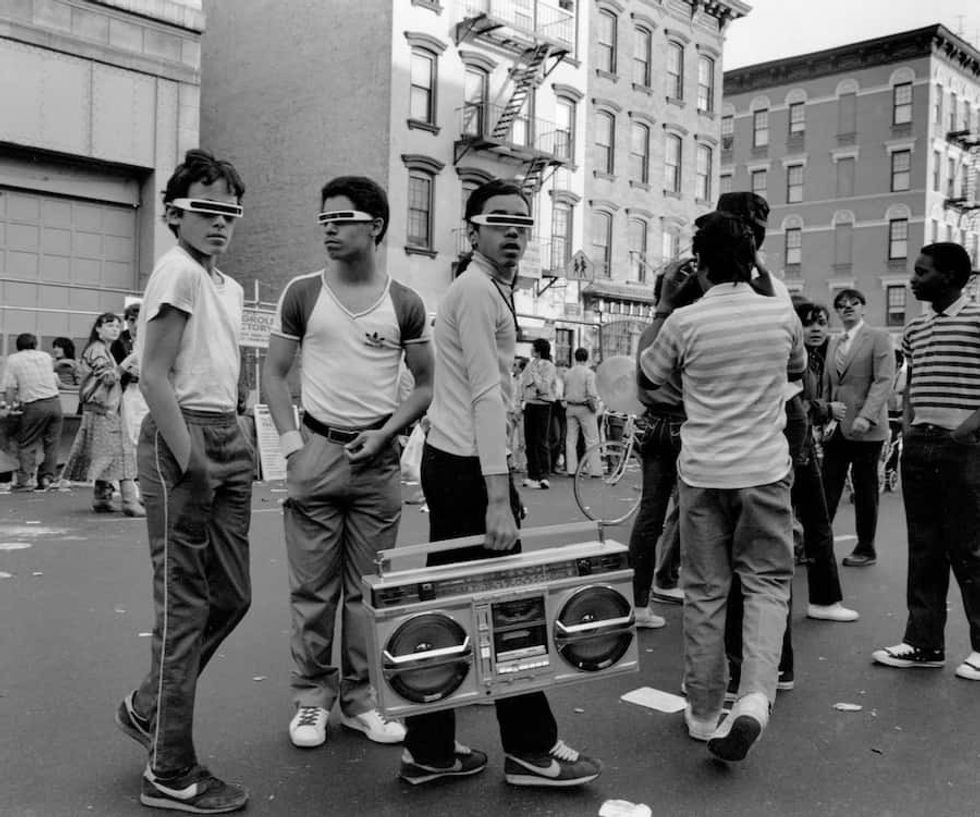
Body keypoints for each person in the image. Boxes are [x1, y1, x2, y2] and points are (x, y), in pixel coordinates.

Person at [400, 178, 601, 788]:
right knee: (509, 610)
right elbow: (488, 397)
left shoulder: (482, 290)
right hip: (467, 470)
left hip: (459, 461)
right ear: (473, 229)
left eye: (523, 222)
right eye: (501, 221)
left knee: (464, 603)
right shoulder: (478, 292)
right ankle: (530, 750)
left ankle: (429, 749)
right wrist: (497, 497)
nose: (514, 231)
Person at [263, 176, 432, 750]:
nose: (329, 229)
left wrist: (388, 434)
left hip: (377, 464)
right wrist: (292, 446)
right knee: (313, 592)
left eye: (342, 219)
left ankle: (361, 700)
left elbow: (425, 386)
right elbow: (274, 375)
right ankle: (311, 700)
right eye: (324, 220)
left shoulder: (406, 303)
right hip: (316, 452)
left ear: (375, 226)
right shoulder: (303, 292)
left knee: (368, 593)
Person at [112, 148, 253, 814]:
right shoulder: (177, 271)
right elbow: (154, 373)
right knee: (186, 605)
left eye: (230, 210)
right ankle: (169, 768)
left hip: (225, 430)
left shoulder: (223, 283)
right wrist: (189, 453)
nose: (220, 221)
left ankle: (149, 705)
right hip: (184, 437)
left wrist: (236, 435)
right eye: (206, 209)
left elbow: (218, 365)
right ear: (173, 212)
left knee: (231, 594)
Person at [641, 210, 805, 762]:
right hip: (764, 470)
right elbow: (798, 369)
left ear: (700, 266)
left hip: (704, 471)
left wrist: (668, 303)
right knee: (764, 585)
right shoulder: (780, 314)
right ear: (753, 260)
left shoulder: (686, 323)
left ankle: (703, 709)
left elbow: (646, 382)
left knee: (706, 591)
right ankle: (754, 696)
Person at [872, 242, 980, 681]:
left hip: (965, 448)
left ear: (951, 276)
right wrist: (912, 425)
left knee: (971, 550)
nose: (912, 279)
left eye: (922, 272)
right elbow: (912, 381)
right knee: (925, 548)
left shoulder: (977, 319)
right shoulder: (916, 328)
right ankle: (923, 643)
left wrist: (966, 430)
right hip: (921, 443)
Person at [821, 289, 895, 567]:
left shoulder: (878, 338)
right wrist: (825, 413)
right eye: (841, 305)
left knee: (865, 489)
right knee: (828, 485)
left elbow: (884, 380)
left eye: (854, 303)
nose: (847, 308)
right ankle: (818, 544)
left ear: (864, 308)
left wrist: (867, 416)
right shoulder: (833, 342)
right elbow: (831, 384)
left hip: (867, 429)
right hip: (837, 427)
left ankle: (866, 548)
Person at [62, 312, 142, 515]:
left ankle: (101, 497)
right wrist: (129, 361)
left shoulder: (100, 350)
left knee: (105, 455)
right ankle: (129, 502)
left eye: (117, 326)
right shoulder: (98, 350)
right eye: (109, 325)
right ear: (98, 329)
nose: (115, 329)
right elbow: (108, 377)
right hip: (103, 411)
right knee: (121, 455)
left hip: (100, 410)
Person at [1, 332, 63, 492]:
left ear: (18, 346)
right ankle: (47, 478)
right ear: (35, 344)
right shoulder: (46, 357)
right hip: (55, 403)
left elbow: (10, 387)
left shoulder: (13, 359)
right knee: (52, 443)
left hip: (34, 405)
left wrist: (9, 407)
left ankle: (24, 480)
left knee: (27, 442)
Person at [519, 338, 557, 489]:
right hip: (530, 404)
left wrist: (535, 376)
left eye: (533, 347)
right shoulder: (530, 365)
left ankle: (544, 475)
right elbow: (525, 385)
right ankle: (532, 474)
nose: (530, 349)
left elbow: (544, 388)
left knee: (541, 440)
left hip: (544, 405)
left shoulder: (549, 366)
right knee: (530, 441)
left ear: (539, 350)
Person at [562, 347, 601, 478]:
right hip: (585, 408)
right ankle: (595, 470)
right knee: (592, 439)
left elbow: (563, 392)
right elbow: (592, 394)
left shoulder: (567, 373)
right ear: (587, 357)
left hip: (570, 407)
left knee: (570, 440)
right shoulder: (589, 373)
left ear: (575, 357)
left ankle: (571, 470)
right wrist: (594, 409)